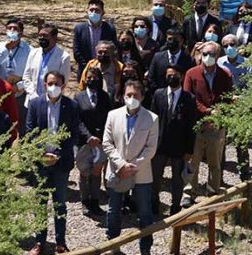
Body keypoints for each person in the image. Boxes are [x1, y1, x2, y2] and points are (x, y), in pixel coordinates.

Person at [25, 71, 82, 255]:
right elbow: (30, 130)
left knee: (60, 204)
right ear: (44, 84)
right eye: (50, 83)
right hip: (41, 162)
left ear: (64, 86)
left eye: (57, 83)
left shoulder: (71, 105)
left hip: (61, 162)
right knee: (40, 203)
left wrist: (57, 154)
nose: (53, 86)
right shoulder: (35, 104)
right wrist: (43, 153)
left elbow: (73, 134)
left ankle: (60, 242)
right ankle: (39, 241)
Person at [102, 78, 158, 255]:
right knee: (114, 211)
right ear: (123, 96)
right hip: (117, 171)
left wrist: (133, 166)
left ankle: (145, 249)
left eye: (135, 95)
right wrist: (121, 165)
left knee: (145, 213)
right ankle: (113, 246)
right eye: (128, 95)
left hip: (141, 173)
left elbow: (151, 148)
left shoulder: (152, 118)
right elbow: (107, 143)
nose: (131, 98)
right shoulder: (113, 115)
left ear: (142, 97)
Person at [182, 41, 233, 207]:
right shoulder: (191, 73)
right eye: (205, 54)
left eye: (211, 54)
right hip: (196, 125)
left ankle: (213, 191)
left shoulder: (225, 75)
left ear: (217, 56)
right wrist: (207, 112)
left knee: (215, 162)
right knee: (193, 162)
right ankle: (189, 192)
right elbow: (189, 98)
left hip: (216, 126)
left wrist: (217, 119)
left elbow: (227, 99)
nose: (208, 57)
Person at [150, 66, 196, 216]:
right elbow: (152, 119)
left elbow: (191, 125)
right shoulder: (158, 94)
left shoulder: (189, 98)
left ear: (181, 77)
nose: (171, 78)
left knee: (177, 179)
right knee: (155, 177)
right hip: (160, 144)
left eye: (174, 75)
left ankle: (175, 206)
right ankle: (154, 204)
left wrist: (189, 150)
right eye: (168, 75)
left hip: (179, 146)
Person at [75, 66, 112, 216]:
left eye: (95, 78)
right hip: (84, 141)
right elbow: (77, 120)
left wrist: (101, 137)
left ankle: (95, 201)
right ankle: (85, 201)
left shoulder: (105, 97)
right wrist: (88, 136)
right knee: (85, 172)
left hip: (101, 141)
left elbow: (109, 119)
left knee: (96, 171)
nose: (91, 80)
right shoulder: (78, 97)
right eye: (89, 78)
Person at [218, 36, 252, 180]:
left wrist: (242, 99)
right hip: (224, 105)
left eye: (232, 44)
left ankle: (245, 171)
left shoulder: (247, 64)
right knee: (221, 140)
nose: (229, 48)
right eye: (225, 46)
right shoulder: (219, 62)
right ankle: (218, 173)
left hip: (241, 106)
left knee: (242, 140)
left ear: (238, 46)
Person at [22, 22, 72, 108]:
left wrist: (48, 97)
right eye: (40, 35)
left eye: (45, 36)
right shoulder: (33, 53)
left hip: (52, 103)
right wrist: (32, 94)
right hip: (31, 101)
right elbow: (26, 76)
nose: (41, 38)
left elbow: (63, 82)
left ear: (54, 38)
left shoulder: (63, 57)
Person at [73, 0, 117, 80]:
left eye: (97, 10)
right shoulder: (79, 28)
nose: (94, 13)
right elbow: (76, 51)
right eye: (91, 10)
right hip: (85, 71)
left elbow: (114, 49)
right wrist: (89, 66)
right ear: (87, 11)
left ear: (103, 12)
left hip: (105, 71)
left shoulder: (110, 29)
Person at [146, 28, 193, 101]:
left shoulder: (188, 59)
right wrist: (159, 94)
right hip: (160, 97)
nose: (172, 41)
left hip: (180, 98)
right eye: (170, 39)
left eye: (175, 39)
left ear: (181, 41)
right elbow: (151, 78)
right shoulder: (157, 57)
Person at [0, 18, 31, 84]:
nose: (12, 30)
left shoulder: (29, 50)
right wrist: (6, 49)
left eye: (15, 28)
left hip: (19, 89)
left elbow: (30, 73)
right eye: (9, 28)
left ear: (21, 33)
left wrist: (20, 86)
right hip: (1, 87)